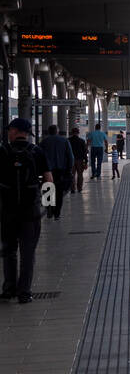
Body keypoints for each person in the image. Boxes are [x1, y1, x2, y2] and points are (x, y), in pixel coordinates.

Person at [0, 118, 53, 304]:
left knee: (8, 250)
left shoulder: (2, 151)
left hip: (7, 210)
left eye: (10, 130)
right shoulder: (37, 151)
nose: (8, 133)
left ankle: (8, 289)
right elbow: (48, 179)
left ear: (15, 131)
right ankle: (25, 292)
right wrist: (49, 206)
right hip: (31, 212)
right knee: (28, 253)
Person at [37, 125, 74, 220]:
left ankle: (49, 209)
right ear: (57, 131)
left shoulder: (44, 142)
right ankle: (57, 213)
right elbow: (70, 156)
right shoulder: (65, 141)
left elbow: (39, 156)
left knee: (47, 189)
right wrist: (69, 169)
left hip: (47, 171)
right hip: (61, 170)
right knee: (59, 192)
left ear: (49, 132)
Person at [68, 127, 87, 192]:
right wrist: (86, 161)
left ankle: (72, 189)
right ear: (78, 133)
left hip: (71, 160)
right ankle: (79, 188)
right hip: (80, 160)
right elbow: (85, 152)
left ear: (72, 133)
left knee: (72, 175)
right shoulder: (82, 141)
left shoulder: (68, 140)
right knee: (80, 174)